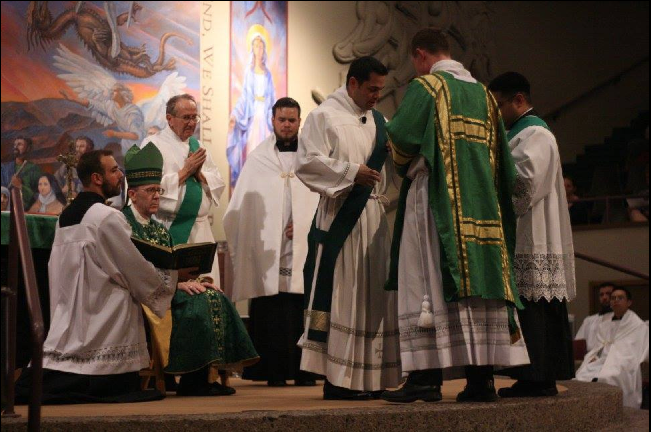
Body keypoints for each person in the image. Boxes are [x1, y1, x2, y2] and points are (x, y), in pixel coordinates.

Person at [380, 29, 529, 405]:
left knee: (425, 280)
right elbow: (504, 163)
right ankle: (481, 382)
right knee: (480, 289)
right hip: (483, 207)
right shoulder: (484, 95)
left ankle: (425, 380)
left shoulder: (427, 87)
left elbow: (400, 137)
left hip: (437, 201)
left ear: (420, 56)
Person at [15, 149, 177, 404]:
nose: (119, 174)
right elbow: (133, 269)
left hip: (70, 314)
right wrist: (170, 273)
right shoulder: (106, 217)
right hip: (103, 316)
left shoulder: (65, 217)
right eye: (113, 170)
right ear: (97, 178)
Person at [296, 56, 401, 400]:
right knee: (343, 296)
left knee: (371, 298)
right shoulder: (324, 116)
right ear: (352, 83)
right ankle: (338, 380)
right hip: (340, 216)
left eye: (380, 90)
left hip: (372, 219)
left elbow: (391, 171)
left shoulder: (379, 120)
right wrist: (351, 172)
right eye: (372, 88)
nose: (376, 96)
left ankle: (369, 379)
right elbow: (307, 163)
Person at [122, 143, 258, 397]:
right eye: (150, 190)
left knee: (212, 294)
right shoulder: (123, 224)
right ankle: (192, 380)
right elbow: (136, 270)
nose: (156, 196)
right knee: (197, 304)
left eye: (158, 190)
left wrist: (192, 278)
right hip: (143, 297)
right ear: (132, 194)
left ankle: (205, 375)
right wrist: (176, 283)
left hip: (166, 289)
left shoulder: (159, 229)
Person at [488, 71, 576, 398]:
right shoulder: (518, 133)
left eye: (498, 106)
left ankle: (540, 378)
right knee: (529, 304)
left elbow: (525, 188)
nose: (495, 114)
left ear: (519, 100)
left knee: (535, 304)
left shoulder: (536, 133)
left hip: (533, 231)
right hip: (523, 230)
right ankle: (531, 377)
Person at [224, 97, 320, 387]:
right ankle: (272, 371)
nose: (287, 125)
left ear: (299, 121)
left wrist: (304, 226)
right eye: (282, 120)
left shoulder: (313, 156)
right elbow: (240, 208)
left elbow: (323, 198)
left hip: (302, 246)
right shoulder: (258, 158)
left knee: (303, 305)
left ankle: (306, 372)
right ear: (272, 121)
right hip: (270, 249)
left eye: (292, 120)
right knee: (273, 309)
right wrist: (268, 229)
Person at [144, 94, 226, 286]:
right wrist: (185, 171)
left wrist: (199, 175)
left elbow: (217, 183)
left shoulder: (198, 147)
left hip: (202, 232)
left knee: (208, 291)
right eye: (186, 117)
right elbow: (148, 189)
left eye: (194, 117)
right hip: (172, 228)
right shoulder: (152, 145)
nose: (191, 123)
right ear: (169, 119)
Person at [576, 287, 649, 408]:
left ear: (629, 302)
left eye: (620, 298)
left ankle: (611, 410)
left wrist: (624, 358)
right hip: (604, 360)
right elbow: (599, 346)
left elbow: (639, 347)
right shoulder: (605, 324)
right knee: (583, 374)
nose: (616, 300)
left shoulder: (638, 325)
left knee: (609, 376)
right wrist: (594, 356)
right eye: (613, 298)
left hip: (625, 361)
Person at [227, 28, 276, 187]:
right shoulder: (249, 72)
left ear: (264, 49)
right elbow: (244, 97)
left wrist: (274, 117)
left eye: (261, 46)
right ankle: (251, 184)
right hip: (252, 115)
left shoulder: (268, 74)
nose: (258, 49)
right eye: (255, 46)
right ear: (252, 50)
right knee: (252, 149)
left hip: (266, 116)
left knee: (266, 151)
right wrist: (235, 114)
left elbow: (272, 98)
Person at [1, 136, 43, 210]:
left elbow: (39, 195)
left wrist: (20, 186)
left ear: (28, 148)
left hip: (26, 211)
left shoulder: (34, 169)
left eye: (20, 144)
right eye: (15, 145)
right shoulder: (5, 168)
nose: (16, 147)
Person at [575, 282, 615, 352]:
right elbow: (578, 343)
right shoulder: (589, 320)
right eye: (601, 295)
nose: (604, 297)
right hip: (589, 358)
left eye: (608, 294)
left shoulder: (621, 318)